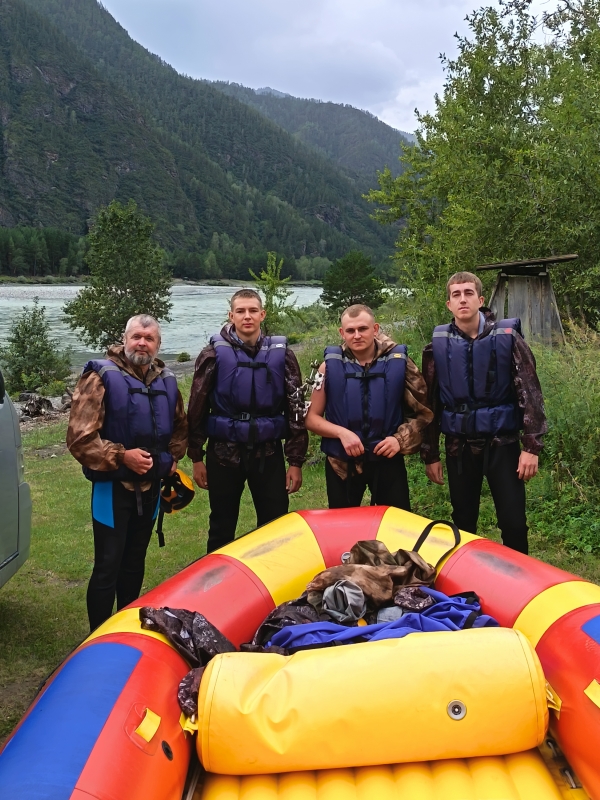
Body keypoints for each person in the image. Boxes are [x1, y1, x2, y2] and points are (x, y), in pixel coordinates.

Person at [67, 314, 187, 631]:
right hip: (113, 489)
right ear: (125, 339)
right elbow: (80, 439)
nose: (142, 343)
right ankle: (98, 636)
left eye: (149, 338)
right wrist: (123, 457)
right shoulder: (99, 377)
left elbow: (180, 428)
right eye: (136, 337)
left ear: (158, 344)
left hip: (151, 490)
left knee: (134, 563)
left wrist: (171, 459)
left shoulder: (166, 380)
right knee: (108, 565)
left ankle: (124, 631)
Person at [421, 272, 547, 554]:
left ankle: (517, 575)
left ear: (480, 300)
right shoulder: (437, 344)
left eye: (468, 293)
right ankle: (466, 575)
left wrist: (531, 447)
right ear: (449, 304)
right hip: (459, 445)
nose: (462, 299)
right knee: (463, 521)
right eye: (456, 295)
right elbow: (429, 403)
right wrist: (430, 454)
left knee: (514, 522)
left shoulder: (507, 338)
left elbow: (530, 393)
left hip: (502, 442)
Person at [187, 289, 308, 553]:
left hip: (268, 452)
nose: (247, 316)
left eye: (253, 310)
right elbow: (197, 406)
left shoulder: (283, 355)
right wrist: (196, 457)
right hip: (223, 453)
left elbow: (296, 408)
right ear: (231, 316)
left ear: (262, 314)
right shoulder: (212, 354)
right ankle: (217, 575)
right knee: (221, 524)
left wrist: (295, 461)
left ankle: (273, 572)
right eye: (240, 311)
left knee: (275, 522)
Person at [305, 304, 432, 509]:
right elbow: (311, 418)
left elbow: (423, 414)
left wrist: (399, 440)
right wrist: (342, 433)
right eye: (350, 330)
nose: (357, 335)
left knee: (395, 524)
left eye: (362, 329)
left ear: (375, 329)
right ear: (342, 333)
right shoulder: (327, 367)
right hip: (342, 464)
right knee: (343, 525)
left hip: (387, 460)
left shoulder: (400, 363)